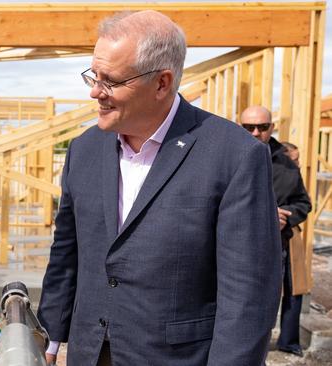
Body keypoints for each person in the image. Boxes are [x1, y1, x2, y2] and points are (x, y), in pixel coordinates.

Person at [38, 11, 282, 365]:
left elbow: (249, 293)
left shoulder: (235, 156)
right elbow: (67, 253)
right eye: (93, 76)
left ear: (162, 83)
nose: (95, 92)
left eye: (110, 81)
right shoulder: (85, 150)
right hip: (91, 353)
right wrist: (48, 336)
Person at [241, 106, 312, 357]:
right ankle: (247, 345)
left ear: (271, 127)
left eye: (262, 127)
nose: (256, 132)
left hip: (281, 240)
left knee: (287, 292)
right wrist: (266, 214)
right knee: (246, 296)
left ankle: (287, 342)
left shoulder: (287, 163)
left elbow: (303, 203)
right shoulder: (228, 155)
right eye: (249, 127)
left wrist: (286, 216)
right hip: (241, 243)